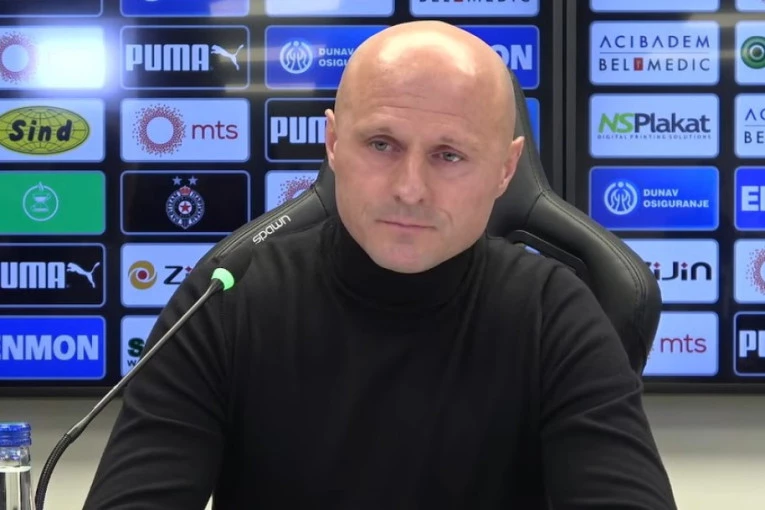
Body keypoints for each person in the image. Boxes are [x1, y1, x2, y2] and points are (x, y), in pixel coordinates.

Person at [83, 21, 677, 509]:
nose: (409, 189)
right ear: (333, 143)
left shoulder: (557, 315)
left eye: (449, 155)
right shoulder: (225, 302)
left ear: (505, 168)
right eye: (382, 145)